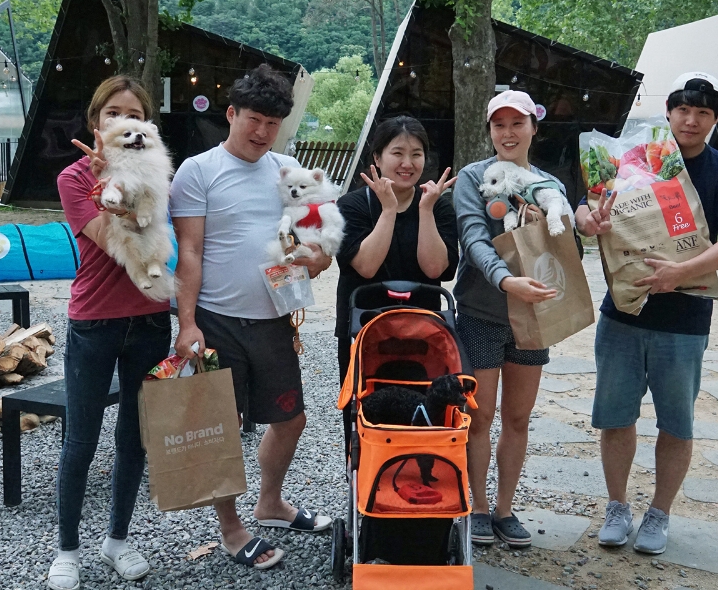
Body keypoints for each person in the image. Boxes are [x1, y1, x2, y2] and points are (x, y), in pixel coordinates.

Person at [576, 72, 718, 555]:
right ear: (669, 113)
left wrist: (683, 271)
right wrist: (588, 221)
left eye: (702, 113)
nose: (691, 120)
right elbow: (584, 208)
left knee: (676, 422)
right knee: (616, 417)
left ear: (714, 119)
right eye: (683, 110)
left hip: (685, 320)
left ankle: (659, 512)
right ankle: (617, 507)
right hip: (623, 312)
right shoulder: (634, 161)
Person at [169, 64, 333, 571]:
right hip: (217, 319)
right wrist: (187, 323)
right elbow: (190, 251)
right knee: (221, 426)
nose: (262, 132)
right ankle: (231, 528)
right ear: (231, 114)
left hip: (274, 316)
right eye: (253, 119)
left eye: (272, 123)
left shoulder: (288, 170)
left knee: (290, 418)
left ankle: (271, 502)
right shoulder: (198, 171)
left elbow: (316, 239)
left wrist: (318, 256)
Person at [49, 76, 171, 590]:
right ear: (96, 123)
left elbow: (163, 237)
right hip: (94, 320)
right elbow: (107, 240)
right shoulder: (74, 177)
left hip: (150, 319)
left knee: (134, 439)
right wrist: (109, 187)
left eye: (134, 115)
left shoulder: (159, 169)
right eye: (113, 114)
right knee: (80, 439)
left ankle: (117, 539)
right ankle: (67, 550)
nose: (124, 123)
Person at [452, 89, 570, 549]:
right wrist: (505, 280)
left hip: (533, 315)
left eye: (517, 123)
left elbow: (569, 253)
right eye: (499, 125)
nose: (508, 133)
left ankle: (505, 508)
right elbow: (473, 238)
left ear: (533, 128)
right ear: (489, 131)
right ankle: (478, 507)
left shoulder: (548, 185)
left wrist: (548, 227)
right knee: (479, 418)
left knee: (518, 418)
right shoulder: (473, 177)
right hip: (481, 312)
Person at [334, 116, 459, 446]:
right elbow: (365, 266)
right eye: (397, 153)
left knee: (423, 416)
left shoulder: (439, 207)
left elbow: (435, 269)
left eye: (416, 154)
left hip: (423, 335)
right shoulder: (351, 206)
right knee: (363, 416)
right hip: (363, 331)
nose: (408, 163)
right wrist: (388, 210)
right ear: (377, 157)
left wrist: (426, 211)